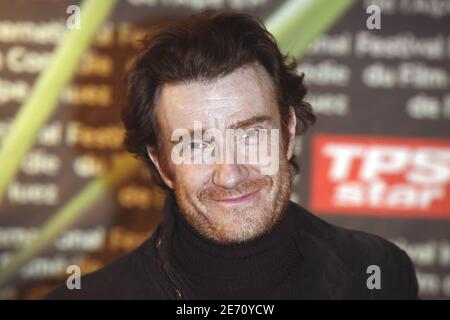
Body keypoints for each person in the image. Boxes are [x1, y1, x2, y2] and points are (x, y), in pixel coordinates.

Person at [47, 10, 418, 300]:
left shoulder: (379, 273)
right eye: (195, 144)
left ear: (288, 131)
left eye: (252, 134)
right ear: (162, 163)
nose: (230, 173)